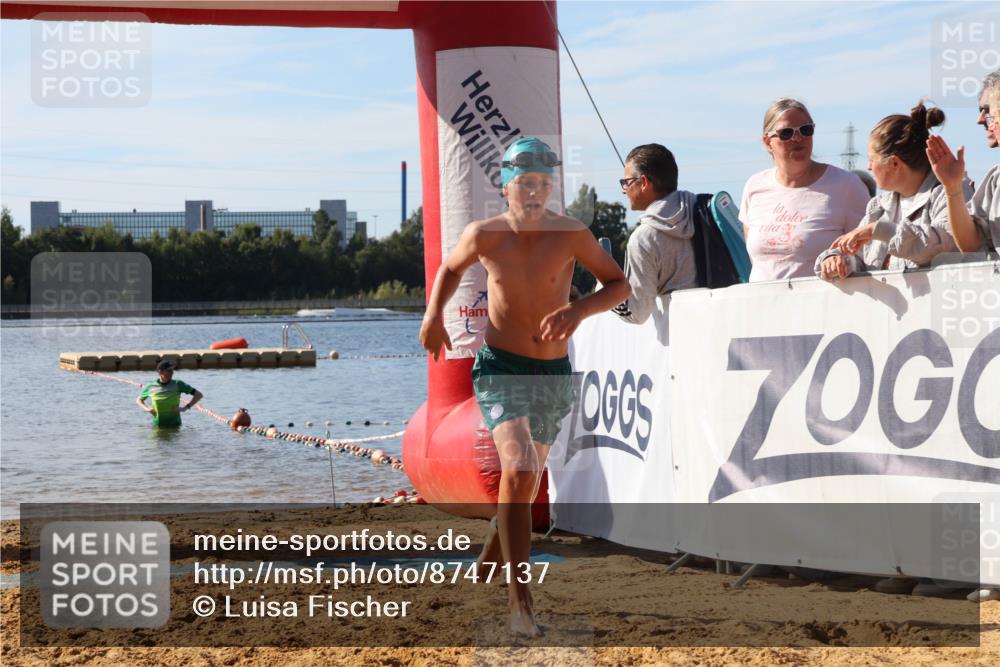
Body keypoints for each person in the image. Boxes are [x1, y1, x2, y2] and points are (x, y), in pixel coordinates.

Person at [418, 136, 630, 637]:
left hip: (552, 373)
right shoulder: (485, 234)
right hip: (501, 367)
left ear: (552, 185)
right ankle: (520, 603)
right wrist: (433, 317)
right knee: (519, 467)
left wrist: (578, 310)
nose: (534, 192)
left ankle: (495, 546)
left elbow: (618, 285)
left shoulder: (572, 233)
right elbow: (449, 269)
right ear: (506, 186)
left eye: (543, 183)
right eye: (525, 183)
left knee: (526, 480)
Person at [816, 102, 971, 281]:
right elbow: (856, 254)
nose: (868, 167)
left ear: (894, 163)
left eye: (872, 159)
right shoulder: (878, 207)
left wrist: (880, 230)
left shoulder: (951, 192)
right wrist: (838, 260)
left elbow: (947, 245)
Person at [740, 98, 870, 281]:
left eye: (806, 130)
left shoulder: (847, 186)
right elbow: (756, 260)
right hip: (763, 304)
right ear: (768, 142)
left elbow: (870, 255)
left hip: (825, 304)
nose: (798, 137)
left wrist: (842, 261)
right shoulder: (754, 187)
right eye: (786, 133)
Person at [612, 143, 698, 324]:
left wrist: (605, 289)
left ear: (643, 182)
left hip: (681, 336)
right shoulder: (705, 211)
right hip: (726, 327)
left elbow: (637, 313)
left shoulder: (643, 239)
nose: (624, 190)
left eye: (626, 182)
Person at [926, 71, 1000, 253]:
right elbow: (972, 244)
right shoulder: (995, 179)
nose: (980, 119)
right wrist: (952, 188)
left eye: (987, 110)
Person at [136, 360, 203, 427]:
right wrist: (147, 409)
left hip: (175, 426)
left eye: (172, 370)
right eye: (169, 370)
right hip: (157, 426)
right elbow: (139, 400)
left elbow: (198, 395)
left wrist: (185, 408)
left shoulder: (178, 384)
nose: (172, 373)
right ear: (160, 372)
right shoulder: (150, 386)